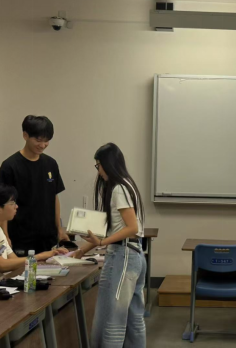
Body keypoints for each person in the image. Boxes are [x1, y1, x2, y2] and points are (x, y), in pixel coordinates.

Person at [75, 143, 146, 348]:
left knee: (111, 319)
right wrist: (82, 250)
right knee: (133, 319)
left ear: (107, 164)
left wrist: (102, 243)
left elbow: (132, 227)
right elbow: (113, 227)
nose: (98, 171)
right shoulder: (127, 184)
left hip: (123, 256)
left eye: (98, 165)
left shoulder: (118, 189)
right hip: (134, 255)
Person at [0, 183, 67, 289]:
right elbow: (2, 265)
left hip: (5, 285)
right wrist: (39, 256)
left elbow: (13, 260)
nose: (16, 206)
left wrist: (43, 261)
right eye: (12, 203)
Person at [0, 115, 69, 256]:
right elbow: (4, 203)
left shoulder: (51, 164)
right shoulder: (10, 166)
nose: (42, 145)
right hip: (21, 238)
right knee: (25, 270)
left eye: (46, 141)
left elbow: (54, 197)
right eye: (38, 140)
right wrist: (5, 235)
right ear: (25, 135)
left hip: (48, 238)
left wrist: (59, 229)